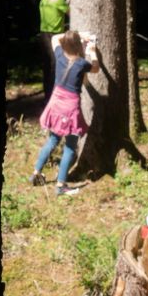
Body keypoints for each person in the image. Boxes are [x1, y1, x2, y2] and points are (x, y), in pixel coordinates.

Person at [30, 30, 98, 196]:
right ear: (77, 46)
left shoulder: (59, 55)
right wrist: (93, 52)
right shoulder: (81, 63)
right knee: (70, 147)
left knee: (53, 140)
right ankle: (61, 185)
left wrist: (78, 34)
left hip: (56, 103)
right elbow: (95, 68)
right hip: (70, 108)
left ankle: (36, 172)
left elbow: (54, 38)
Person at [38, 0, 69, 103]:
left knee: (47, 65)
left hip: (43, 35)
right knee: (56, 64)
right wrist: (69, 2)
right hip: (55, 35)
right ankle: (55, 95)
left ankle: (47, 94)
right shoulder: (59, 0)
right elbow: (70, 12)